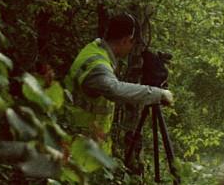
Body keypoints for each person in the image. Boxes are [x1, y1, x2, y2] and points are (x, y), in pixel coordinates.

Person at [65, 12, 173, 154]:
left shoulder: (94, 49)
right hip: (80, 147)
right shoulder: (98, 65)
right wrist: (158, 94)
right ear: (125, 40)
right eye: (132, 43)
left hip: (85, 142)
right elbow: (114, 89)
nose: (131, 49)